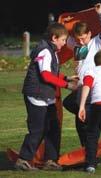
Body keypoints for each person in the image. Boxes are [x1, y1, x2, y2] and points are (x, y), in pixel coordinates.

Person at [15, 22, 78, 171]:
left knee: (53, 128)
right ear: (54, 38)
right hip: (36, 95)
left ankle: (50, 160)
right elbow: (46, 76)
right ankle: (23, 159)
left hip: (45, 96)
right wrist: (67, 86)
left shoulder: (51, 50)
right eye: (63, 40)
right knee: (38, 129)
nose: (64, 43)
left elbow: (51, 72)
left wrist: (66, 77)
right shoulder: (45, 51)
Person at [63, 3, 101, 147]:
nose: (81, 41)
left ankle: (89, 141)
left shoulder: (96, 43)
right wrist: (66, 23)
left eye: (83, 38)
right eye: (78, 39)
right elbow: (63, 36)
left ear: (89, 34)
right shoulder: (76, 45)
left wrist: (100, 13)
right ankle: (87, 142)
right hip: (80, 85)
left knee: (81, 118)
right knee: (70, 105)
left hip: (92, 86)